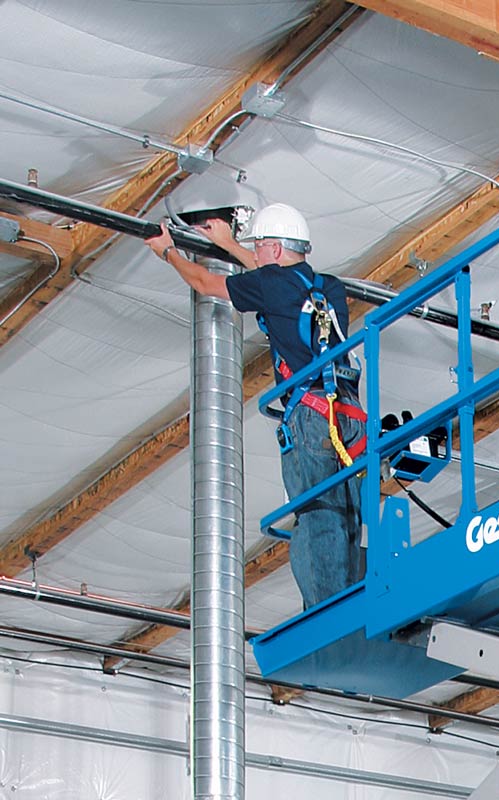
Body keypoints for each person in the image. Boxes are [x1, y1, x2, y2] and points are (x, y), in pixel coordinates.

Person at [145, 203, 366, 610]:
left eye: (262, 247)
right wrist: (229, 244)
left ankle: (327, 613)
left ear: (276, 250)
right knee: (347, 514)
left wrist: (167, 251)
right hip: (349, 417)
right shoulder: (330, 288)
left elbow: (203, 282)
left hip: (313, 418)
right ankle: (351, 603)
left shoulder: (271, 285)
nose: (258, 254)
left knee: (316, 515)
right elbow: (275, 281)